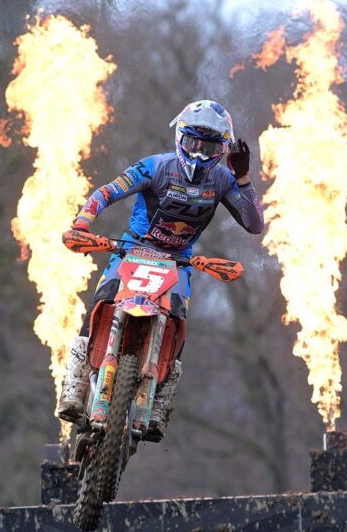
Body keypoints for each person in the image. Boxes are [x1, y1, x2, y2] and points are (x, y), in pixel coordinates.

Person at [56, 100, 265, 441]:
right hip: (132, 249)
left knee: (178, 318)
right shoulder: (156, 167)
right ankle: (74, 386)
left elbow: (254, 224)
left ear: (222, 149)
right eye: (192, 143)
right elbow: (108, 191)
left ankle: (160, 404)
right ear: (180, 137)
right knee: (102, 300)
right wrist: (83, 222)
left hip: (177, 259)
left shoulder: (222, 179)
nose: (198, 154)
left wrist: (243, 179)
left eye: (208, 147)